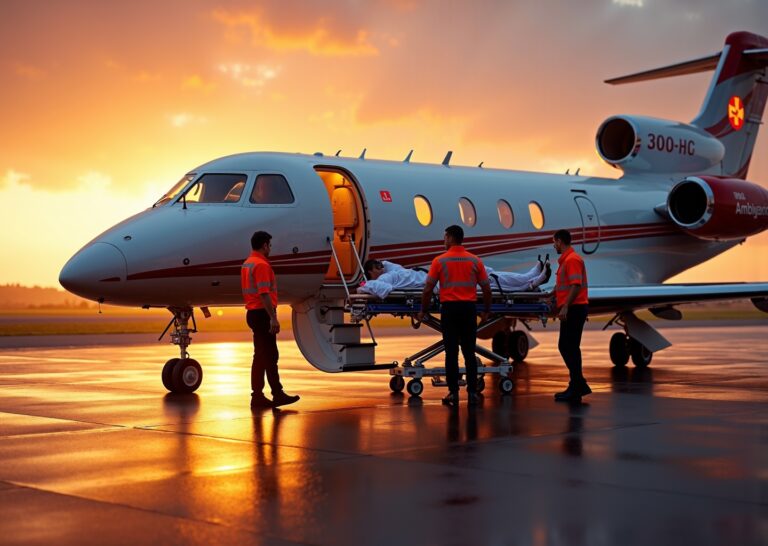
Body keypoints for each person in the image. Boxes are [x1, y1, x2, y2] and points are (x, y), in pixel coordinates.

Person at [416, 225, 492, 406]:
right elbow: (487, 289)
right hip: (468, 310)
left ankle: (453, 393)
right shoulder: (475, 261)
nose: (444, 240)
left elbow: (427, 289)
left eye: (445, 237)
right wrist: (486, 311)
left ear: (450, 238)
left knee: (451, 353)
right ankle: (472, 393)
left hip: (449, 310)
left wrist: (423, 310)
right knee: (469, 352)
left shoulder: (440, 261)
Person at [241, 231, 300, 408]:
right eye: (270, 245)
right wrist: (273, 318)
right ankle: (277, 394)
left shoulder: (248, 263)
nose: (270, 249)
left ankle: (257, 396)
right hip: (263, 313)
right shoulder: (261, 265)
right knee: (270, 355)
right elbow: (264, 294)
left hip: (253, 312)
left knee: (260, 356)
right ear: (264, 245)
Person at [359, 258, 550, 299]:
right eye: (376, 267)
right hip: (440, 285)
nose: (380, 266)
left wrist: (380, 265)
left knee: (486, 272)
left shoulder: (392, 271)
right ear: (372, 273)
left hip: (438, 277)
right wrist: (364, 286)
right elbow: (381, 289)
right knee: (488, 280)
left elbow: (388, 265)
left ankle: (529, 278)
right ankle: (530, 283)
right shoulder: (385, 280)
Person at [552, 229, 591, 402]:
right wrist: (551, 295)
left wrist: (566, 306)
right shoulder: (567, 260)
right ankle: (577, 384)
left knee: (569, 347)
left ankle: (577, 386)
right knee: (567, 346)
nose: (554, 245)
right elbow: (566, 285)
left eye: (554, 242)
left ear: (560, 241)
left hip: (575, 308)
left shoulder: (572, 260)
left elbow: (576, 285)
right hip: (573, 308)